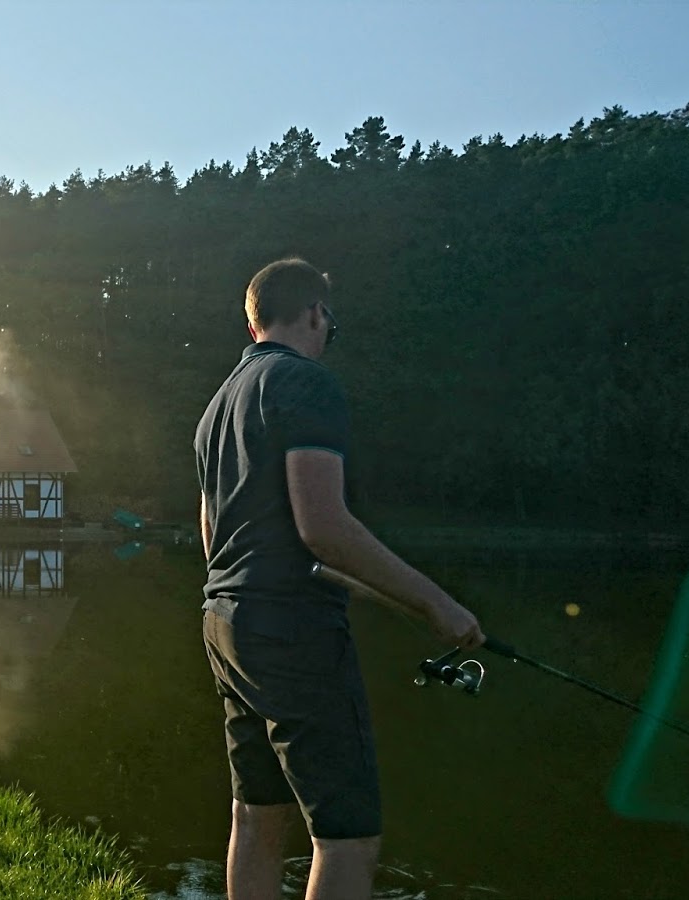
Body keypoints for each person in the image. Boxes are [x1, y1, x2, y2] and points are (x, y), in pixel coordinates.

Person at [193, 258, 485, 900]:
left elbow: (214, 532)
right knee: (347, 834)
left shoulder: (218, 405)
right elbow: (322, 525)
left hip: (226, 622)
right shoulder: (307, 383)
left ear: (253, 322)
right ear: (314, 312)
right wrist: (438, 603)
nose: (328, 331)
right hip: (294, 630)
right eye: (329, 319)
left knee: (256, 812)